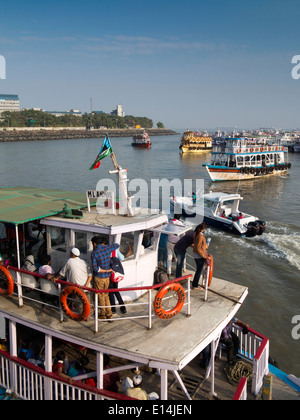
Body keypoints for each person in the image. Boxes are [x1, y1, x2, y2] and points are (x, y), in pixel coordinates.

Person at [91, 236, 119, 321]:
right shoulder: (107, 248)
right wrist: (109, 270)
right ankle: (109, 314)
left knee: (100, 295)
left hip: (99, 277)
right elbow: (117, 245)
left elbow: (95, 269)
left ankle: (103, 314)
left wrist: (105, 270)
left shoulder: (94, 253)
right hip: (107, 278)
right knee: (106, 295)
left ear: (95, 243)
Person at [109, 248, 127, 314]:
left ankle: (113, 309)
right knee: (116, 291)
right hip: (116, 275)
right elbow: (122, 258)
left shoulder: (104, 250)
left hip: (110, 275)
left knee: (110, 292)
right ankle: (123, 308)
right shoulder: (115, 250)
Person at [192, 222, 209, 289]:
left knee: (199, 270)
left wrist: (204, 247)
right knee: (198, 271)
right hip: (199, 256)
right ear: (203, 229)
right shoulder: (200, 236)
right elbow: (198, 248)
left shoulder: (196, 234)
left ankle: (195, 284)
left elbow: (198, 246)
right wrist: (204, 256)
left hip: (196, 255)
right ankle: (194, 285)